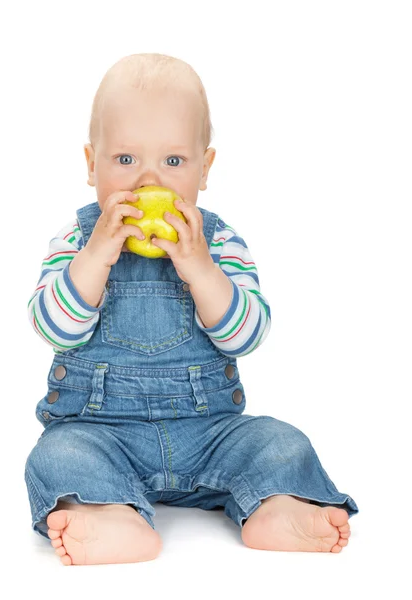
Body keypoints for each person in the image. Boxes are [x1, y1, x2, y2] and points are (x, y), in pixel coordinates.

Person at [24, 53, 359, 566]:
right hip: (102, 433)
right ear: (92, 164)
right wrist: (96, 256)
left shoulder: (218, 242)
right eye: (125, 160)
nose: (147, 182)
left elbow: (247, 334)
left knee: (280, 442)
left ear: (205, 169)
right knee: (55, 455)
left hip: (209, 434)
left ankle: (276, 505)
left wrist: (200, 267)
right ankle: (110, 513)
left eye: (173, 162)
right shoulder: (76, 240)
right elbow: (52, 327)